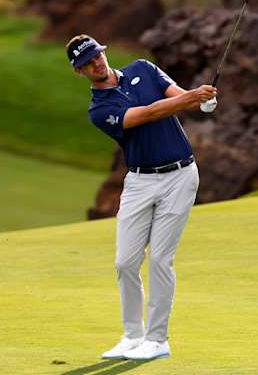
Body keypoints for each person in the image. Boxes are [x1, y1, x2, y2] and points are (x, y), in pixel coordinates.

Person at [66, 34, 216, 360]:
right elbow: (146, 114)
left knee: (161, 259)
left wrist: (201, 102)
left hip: (180, 176)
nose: (96, 63)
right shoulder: (99, 109)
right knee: (125, 262)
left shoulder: (144, 69)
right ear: (80, 72)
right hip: (139, 182)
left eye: (97, 55)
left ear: (103, 52)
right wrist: (190, 97)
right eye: (87, 63)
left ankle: (157, 340)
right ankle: (133, 336)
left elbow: (177, 96)